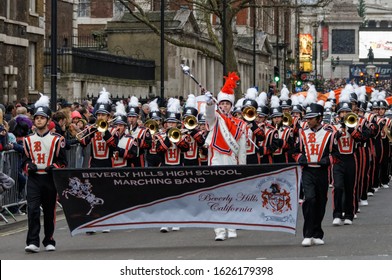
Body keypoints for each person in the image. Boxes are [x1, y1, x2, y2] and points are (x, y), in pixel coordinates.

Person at [22, 94, 67, 253]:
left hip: (49, 178)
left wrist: (54, 166)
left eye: (42, 118)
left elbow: (63, 162)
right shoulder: (27, 140)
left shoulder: (57, 139)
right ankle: (32, 241)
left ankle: (49, 239)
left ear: (48, 120)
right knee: (33, 209)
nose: (39, 120)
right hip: (34, 178)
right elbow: (24, 161)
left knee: (49, 211)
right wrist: (29, 166)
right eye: (36, 118)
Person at [204, 72, 247, 241]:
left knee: (232, 195)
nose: (224, 106)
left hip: (232, 161)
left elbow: (241, 150)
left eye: (227, 104)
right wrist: (209, 103)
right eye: (221, 103)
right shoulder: (216, 119)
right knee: (216, 196)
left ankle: (232, 225)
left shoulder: (239, 124)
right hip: (216, 160)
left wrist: (243, 168)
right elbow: (208, 115)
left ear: (231, 106)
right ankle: (219, 230)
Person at [293, 102, 339, 247]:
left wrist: (327, 160)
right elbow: (295, 151)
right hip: (308, 171)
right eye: (307, 118)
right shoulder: (302, 134)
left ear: (319, 118)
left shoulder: (329, 135)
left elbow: (336, 155)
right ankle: (307, 234)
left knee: (321, 202)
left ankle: (317, 233)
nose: (308, 120)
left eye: (311, 118)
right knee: (310, 199)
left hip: (322, 172)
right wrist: (301, 158)